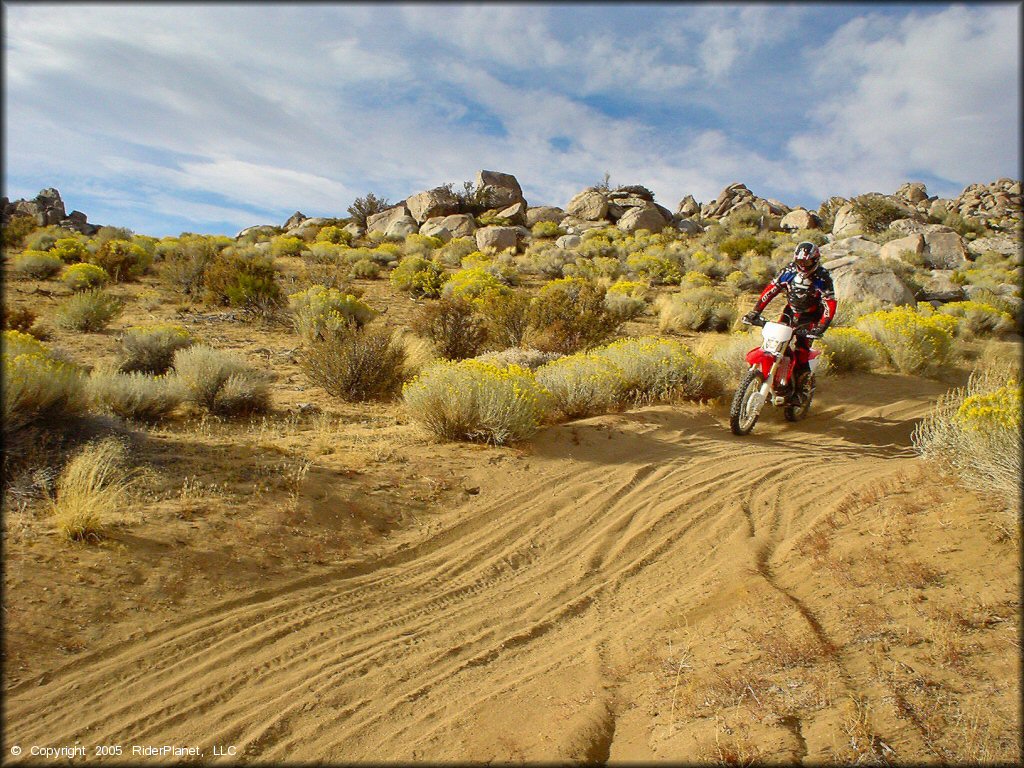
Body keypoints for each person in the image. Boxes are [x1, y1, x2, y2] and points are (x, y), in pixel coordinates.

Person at [742, 241, 837, 386]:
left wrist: (821, 326)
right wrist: (755, 311)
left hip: (811, 316)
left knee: (802, 350)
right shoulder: (789, 271)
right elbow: (771, 290)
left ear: (816, 260)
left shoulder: (822, 278)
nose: (804, 265)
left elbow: (829, 303)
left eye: (808, 261)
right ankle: (776, 378)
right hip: (790, 312)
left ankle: (801, 388)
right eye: (800, 261)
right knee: (776, 343)